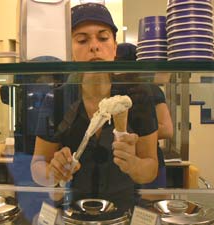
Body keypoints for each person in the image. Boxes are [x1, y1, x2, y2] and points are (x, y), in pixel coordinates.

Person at [31, 3, 158, 211]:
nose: (94, 46)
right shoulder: (57, 100)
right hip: (71, 212)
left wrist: (134, 164)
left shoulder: (138, 97)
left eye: (103, 38)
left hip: (122, 212)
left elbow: (151, 167)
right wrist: (52, 172)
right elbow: (37, 165)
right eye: (82, 40)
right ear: (70, 49)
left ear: (115, 47)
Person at [115, 43, 174, 188]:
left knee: (148, 209)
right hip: (118, 162)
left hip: (148, 163)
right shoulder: (111, 89)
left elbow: (167, 129)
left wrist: (135, 133)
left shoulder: (150, 90)